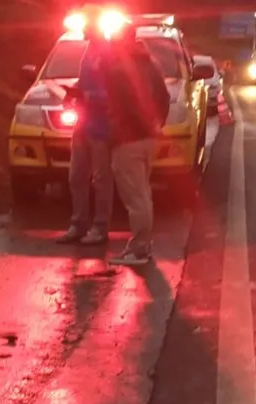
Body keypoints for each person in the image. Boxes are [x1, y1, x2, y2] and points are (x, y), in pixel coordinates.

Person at [102, 36, 171, 266]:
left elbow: (127, 105)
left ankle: (139, 249)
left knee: (136, 197)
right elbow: (164, 97)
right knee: (143, 193)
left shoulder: (120, 69)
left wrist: (134, 128)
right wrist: (156, 124)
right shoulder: (151, 63)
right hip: (147, 139)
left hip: (128, 139)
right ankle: (142, 246)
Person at [55, 25, 115, 245]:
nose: (85, 35)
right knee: (76, 176)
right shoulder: (88, 51)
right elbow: (85, 82)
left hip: (101, 127)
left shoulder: (110, 53)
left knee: (101, 179)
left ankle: (100, 227)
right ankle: (78, 224)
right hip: (82, 124)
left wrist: (88, 96)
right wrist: (73, 91)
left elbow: (115, 91)